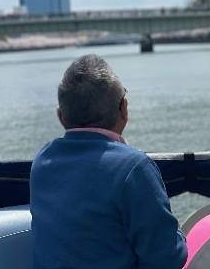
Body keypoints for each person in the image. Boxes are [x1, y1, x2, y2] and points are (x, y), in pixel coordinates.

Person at [30, 54, 188, 269]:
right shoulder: (133, 168)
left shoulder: (42, 162)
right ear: (124, 108)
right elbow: (167, 258)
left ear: (60, 117)